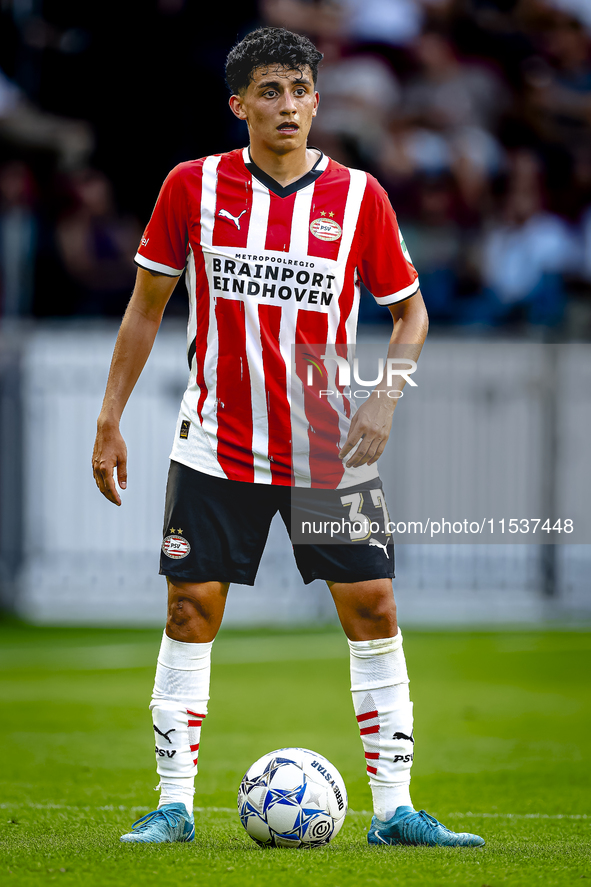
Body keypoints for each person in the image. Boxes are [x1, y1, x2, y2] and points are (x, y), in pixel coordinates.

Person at [92, 26, 484, 849]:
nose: (288, 106)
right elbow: (145, 306)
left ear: (317, 100)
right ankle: (172, 805)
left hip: (325, 446)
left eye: (300, 90)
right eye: (269, 91)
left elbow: (409, 312)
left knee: (373, 607)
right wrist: (109, 417)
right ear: (238, 104)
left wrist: (385, 396)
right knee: (190, 609)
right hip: (214, 441)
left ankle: (394, 811)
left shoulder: (358, 196)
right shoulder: (189, 186)